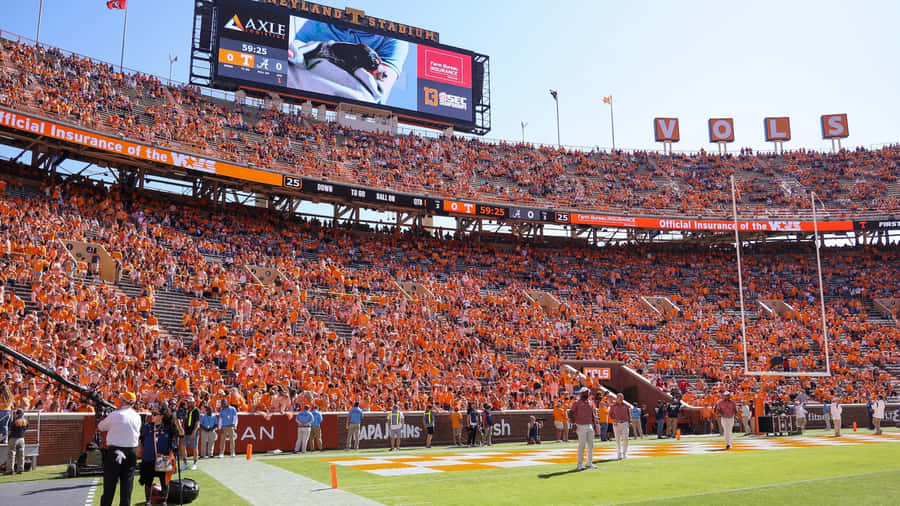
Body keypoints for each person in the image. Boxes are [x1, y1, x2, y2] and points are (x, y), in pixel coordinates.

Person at [98, 391, 142, 506]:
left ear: (123, 401)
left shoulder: (116, 414)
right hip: (131, 451)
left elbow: (101, 426)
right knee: (127, 486)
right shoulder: (137, 416)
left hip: (116, 451)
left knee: (109, 484)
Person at [138, 405, 177, 505]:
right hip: (148, 458)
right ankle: (148, 501)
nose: (152, 416)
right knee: (148, 481)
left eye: (155, 414)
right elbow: (140, 438)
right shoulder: (147, 427)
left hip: (163, 458)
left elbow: (178, 436)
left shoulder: (168, 428)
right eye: (152, 413)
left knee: (164, 481)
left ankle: (164, 501)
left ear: (162, 416)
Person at [568, 387, 597, 470]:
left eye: (588, 392)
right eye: (585, 392)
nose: (587, 394)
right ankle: (579, 464)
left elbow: (592, 414)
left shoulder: (590, 402)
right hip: (580, 425)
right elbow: (570, 413)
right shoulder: (576, 403)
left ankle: (589, 463)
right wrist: (573, 423)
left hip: (589, 425)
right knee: (582, 445)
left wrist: (594, 424)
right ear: (581, 393)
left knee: (591, 444)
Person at [609, 393, 631, 460]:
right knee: (617, 439)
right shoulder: (613, 406)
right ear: (617, 398)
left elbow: (629, 414)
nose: (621, 399)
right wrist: (613, 420)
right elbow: (610, 414)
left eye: (622, 397)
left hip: (625, 423)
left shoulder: (626, 405)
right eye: (620, 397)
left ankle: (624, 453)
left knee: (626, 438)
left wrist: (630, 422)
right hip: (617, 424)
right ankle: (619, 453)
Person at [5, 408, 27, 474]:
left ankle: (10, 470)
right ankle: (20, 469)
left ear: (17, 414)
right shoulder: (25, 421)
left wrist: (8, 438)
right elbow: (26, 428)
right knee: (21, 455)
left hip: (13, 439)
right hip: (22, 439)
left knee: (11, 455)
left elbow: (10, 431)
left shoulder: (15, 421)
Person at [181, 397, 200, 470]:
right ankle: (185, 463)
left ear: (193, 403)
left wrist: (194, 432)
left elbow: (197, 422)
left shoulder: (196, 410)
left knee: (194, 447)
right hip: (186, 432)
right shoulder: (186, 411)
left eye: (189, 402)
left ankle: (195, 463)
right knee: (182, 446)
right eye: (187, 402)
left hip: (193, 432)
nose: (188, 403)